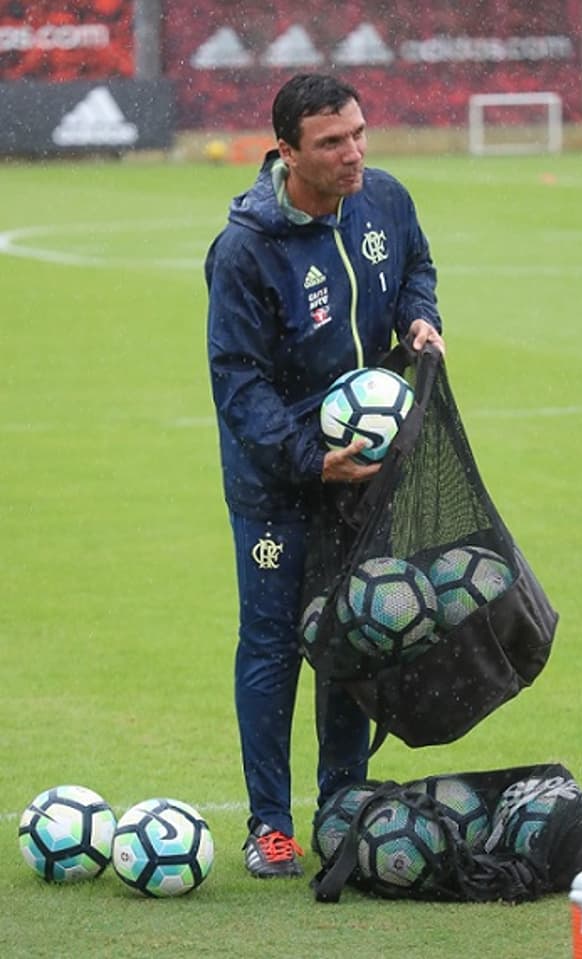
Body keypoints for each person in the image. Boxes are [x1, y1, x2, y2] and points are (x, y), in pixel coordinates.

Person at [205, 73, 445, 879]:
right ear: (286, 153)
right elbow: (238, 378)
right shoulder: (246, 249)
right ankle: (269, 823)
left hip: (367, 471)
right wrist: (312, 459)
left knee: (354, 635)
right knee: (274, 644)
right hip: (278, 484)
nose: (355, 154)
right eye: (333, 143)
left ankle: (342, 806)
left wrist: (421, 317)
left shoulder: (386, 200)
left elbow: (417, 264)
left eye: (360, 134)